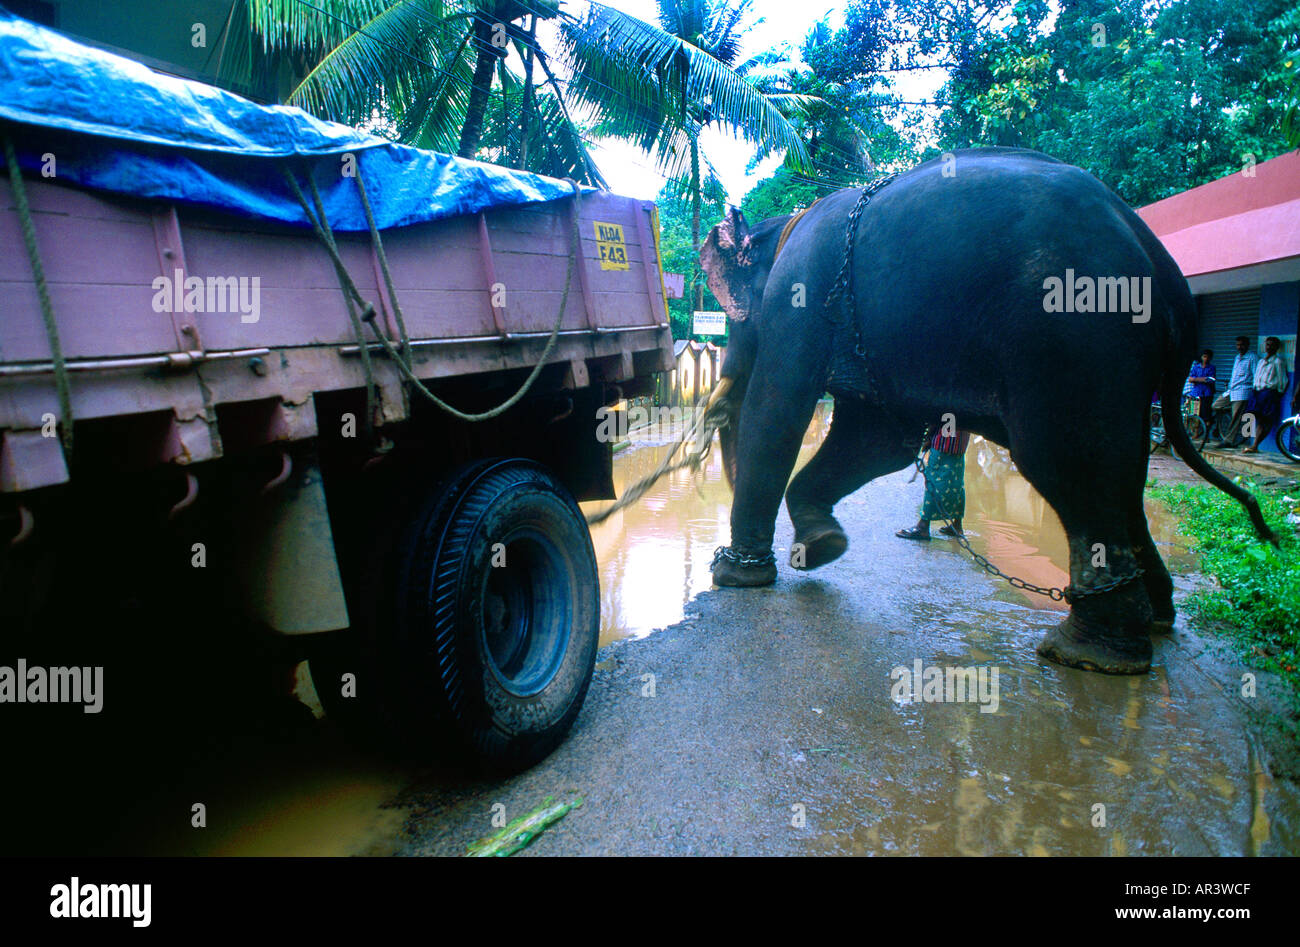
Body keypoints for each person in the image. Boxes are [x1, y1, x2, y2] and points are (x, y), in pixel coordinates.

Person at [896, 427, 971, 540]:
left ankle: (923, 526)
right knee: (956, 481)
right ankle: (957, 524)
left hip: (945, 441)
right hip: (960, 440)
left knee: (935, 480)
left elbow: (943, 414)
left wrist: (930, 436)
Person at [1243, 336, 1289, 454]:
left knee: (1265, 420)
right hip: (1257, 392)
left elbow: (1282, 380)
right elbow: (1256, 377)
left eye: (1272, 345)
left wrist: (1277, 395)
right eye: (1267, 345)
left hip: (1268, 393)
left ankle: (1255, 445)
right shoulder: (1261, 361)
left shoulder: (1278, 362)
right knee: (1250, 416)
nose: (1269, 347)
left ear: (1277, 347)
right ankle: (1247, 440)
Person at [1211, 336, 1259, 448]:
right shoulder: (1237, 357)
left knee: (1236, 417)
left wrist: (1254, 392)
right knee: (1216, 405)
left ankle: (1229, 440)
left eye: (1242, 345)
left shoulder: (1252, 357)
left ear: (1247, 345)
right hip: (1232, 390)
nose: (1239, 347)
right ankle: (1233, 410)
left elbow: (1256, 375)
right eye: (1238, 345)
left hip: (1243, 391)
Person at [1186, 349, 1216, 424]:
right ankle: (1195, 433)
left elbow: (1210, 380)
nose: (1206, 359)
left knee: (1206, 415)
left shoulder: (1212, 368)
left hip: (1207, 394)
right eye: (1204, 356)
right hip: (1195, 393)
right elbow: (1190, 379)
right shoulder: (1196, 367)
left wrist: (1196, 379)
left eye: (1208, 357)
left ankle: (1206, 433)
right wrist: (1202, 379)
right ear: (1201, 357)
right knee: (1194, 414)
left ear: (1210, 358)